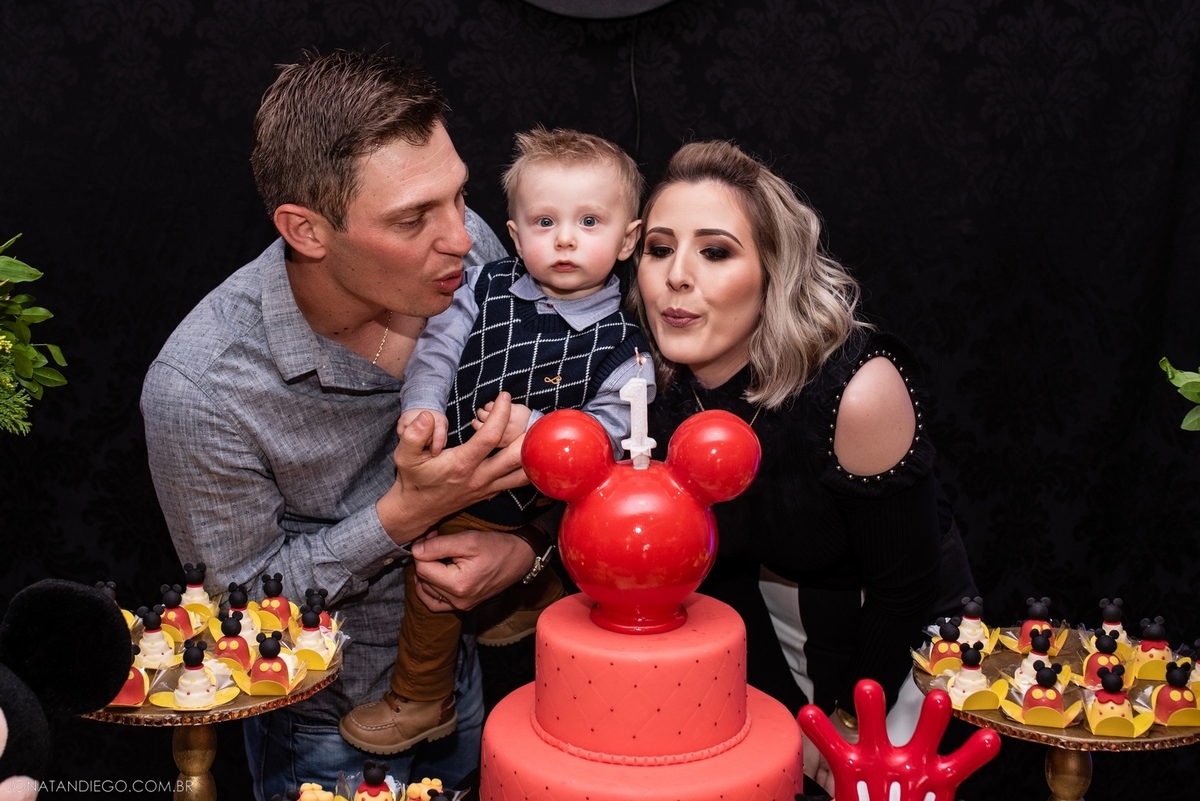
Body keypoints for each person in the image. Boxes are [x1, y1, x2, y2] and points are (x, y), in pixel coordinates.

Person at [141, 51, 550, 800]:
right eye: (412, 218)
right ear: (306, 229)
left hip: (466, 676)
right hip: (324, 729)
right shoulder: (202, 388)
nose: (461, 236)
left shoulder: (468, 255)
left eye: (458, 195)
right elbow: (239, 610)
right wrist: (404, 514)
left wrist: (525, 549)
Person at [628, 140, 977, 795]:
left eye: (715, 251)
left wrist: (841, 724)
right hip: (779, 643)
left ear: (774, 270)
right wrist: (787, 719)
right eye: (658, 248)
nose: (676, 276)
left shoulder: (857, 391)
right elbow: (717, 578)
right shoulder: (658, 398)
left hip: (908, 656)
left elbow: (906, 589)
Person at [339, 126, 651, 754]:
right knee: (436, 553)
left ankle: (423, 699)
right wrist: (422, 406)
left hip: (541, 499)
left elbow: (614, 436)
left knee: (433, 580)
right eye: (544, 222)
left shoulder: (628, 349)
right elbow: (436, 350)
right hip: (452, 465)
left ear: (628, 239)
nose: (565, 239)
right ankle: (518, 601)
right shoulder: (480, 286)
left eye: (589, 221)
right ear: (514, 233)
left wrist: (536, 433)